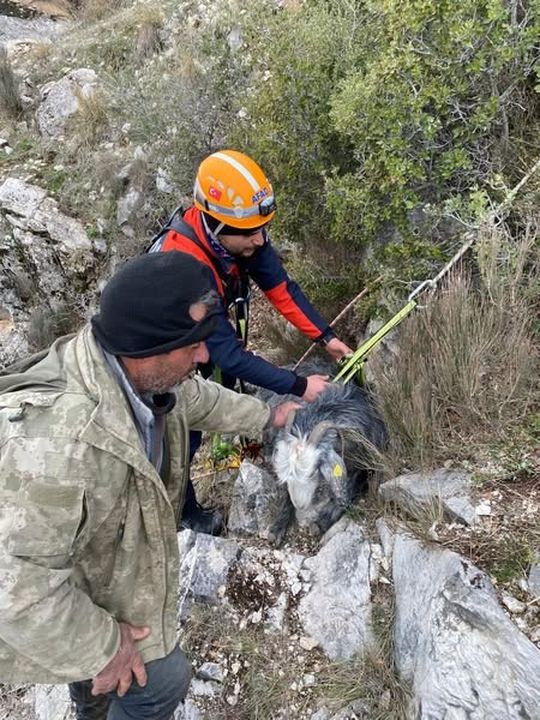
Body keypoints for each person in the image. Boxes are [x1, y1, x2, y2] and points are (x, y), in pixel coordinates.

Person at [0, 252, 298, 720]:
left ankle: (91, 702)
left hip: (91, 567)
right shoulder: (57, 447)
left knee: (102, 685)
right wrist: (105, 646)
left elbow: (197, 399)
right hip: (51, 589)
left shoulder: (141, 374)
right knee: (159, 683)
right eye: (193, 346)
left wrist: (268, 417)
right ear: (148, 349)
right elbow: (15, 590)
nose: (204, 355)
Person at [150, 149, 354, 533]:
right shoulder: (187, 267)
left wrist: (326, 337)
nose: (261, 240)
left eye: (264, 229)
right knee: (177, 438)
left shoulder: (240, 237)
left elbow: (282, 289)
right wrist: (300, 386)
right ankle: (182, 516)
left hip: (198, 343)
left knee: (198, 417)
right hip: (158, 360)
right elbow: (230, 355)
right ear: (214, 223)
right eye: (251, 233)